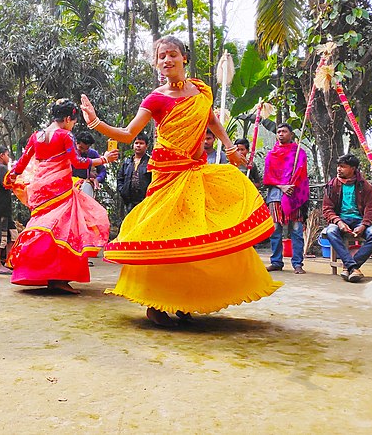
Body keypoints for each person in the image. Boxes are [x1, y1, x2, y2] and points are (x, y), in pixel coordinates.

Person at [80, 35, 281, 327]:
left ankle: (186, 299)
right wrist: (96, 123)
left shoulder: (201, 91)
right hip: (167, 175)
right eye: (161, 57)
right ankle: (157, 301)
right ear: (156, 62)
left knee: (197, 234)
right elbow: (128, 133)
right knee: (164, 237)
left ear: (184, 57)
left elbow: (211, 120)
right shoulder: (155, 98)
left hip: (194, 170)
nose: (167, 61)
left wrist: (228, 147)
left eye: (172, 54)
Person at [5, 99, 118, 294]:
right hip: (60, 190)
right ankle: (59, 277)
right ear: (67, 118)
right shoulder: (65, 135)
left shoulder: (36, 136)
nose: (73, 125)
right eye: (73, 121)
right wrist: (103, 159)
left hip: (40, 190)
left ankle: (37, 273)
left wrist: (12, 176)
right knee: (66, 229)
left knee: (43, 228)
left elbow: (23, 163)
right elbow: (77, 161)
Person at [322, 153, 372, 282]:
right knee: (331, 231)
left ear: (353, 168)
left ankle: (350, 266)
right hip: (339, 220)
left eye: (343, 166)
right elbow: (327, 209)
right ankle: (353, 267)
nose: (339, 169)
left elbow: (371, 209)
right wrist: (339, 222)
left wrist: (364, 225)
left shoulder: (365, 186)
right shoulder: (332, 185)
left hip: (360, 220)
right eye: (338, 166)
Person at [264, 123, 309, 274]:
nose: (281, 134)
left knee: (296, 230)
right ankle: (276, 262)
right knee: (275, 230)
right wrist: (282, 186)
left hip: (294, 195)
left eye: (284, 131)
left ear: (291, 134)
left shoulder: (299, 153)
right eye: (279, 132)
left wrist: (290, 186)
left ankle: (297, 263)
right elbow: (267, 177)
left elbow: (301, 173)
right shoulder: (271, 154)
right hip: (276, 196)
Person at [0, 145, 17, 275]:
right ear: (1, 155)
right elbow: (7, 184)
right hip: (1, 208)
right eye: (7, 155)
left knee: (12, 234)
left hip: (4, 208)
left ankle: (8, 261)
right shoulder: (1, 168)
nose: (8, 158)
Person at [116, 134, 152, 213]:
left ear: (146, 146)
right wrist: (122, 191)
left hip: (145, 200)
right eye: (136, 143)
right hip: (129, 201)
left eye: (141, 143)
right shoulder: (127, 162)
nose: (138, 146)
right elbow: (120, 178)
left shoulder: (150, 162)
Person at [70, 132, 106, 197]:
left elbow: (102, 170)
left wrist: (97, 179)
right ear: (75, 143)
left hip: (83, 188)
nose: (83, 151)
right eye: (81, 148)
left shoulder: (92, 153)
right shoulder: (69, 152)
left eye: (86, 149)